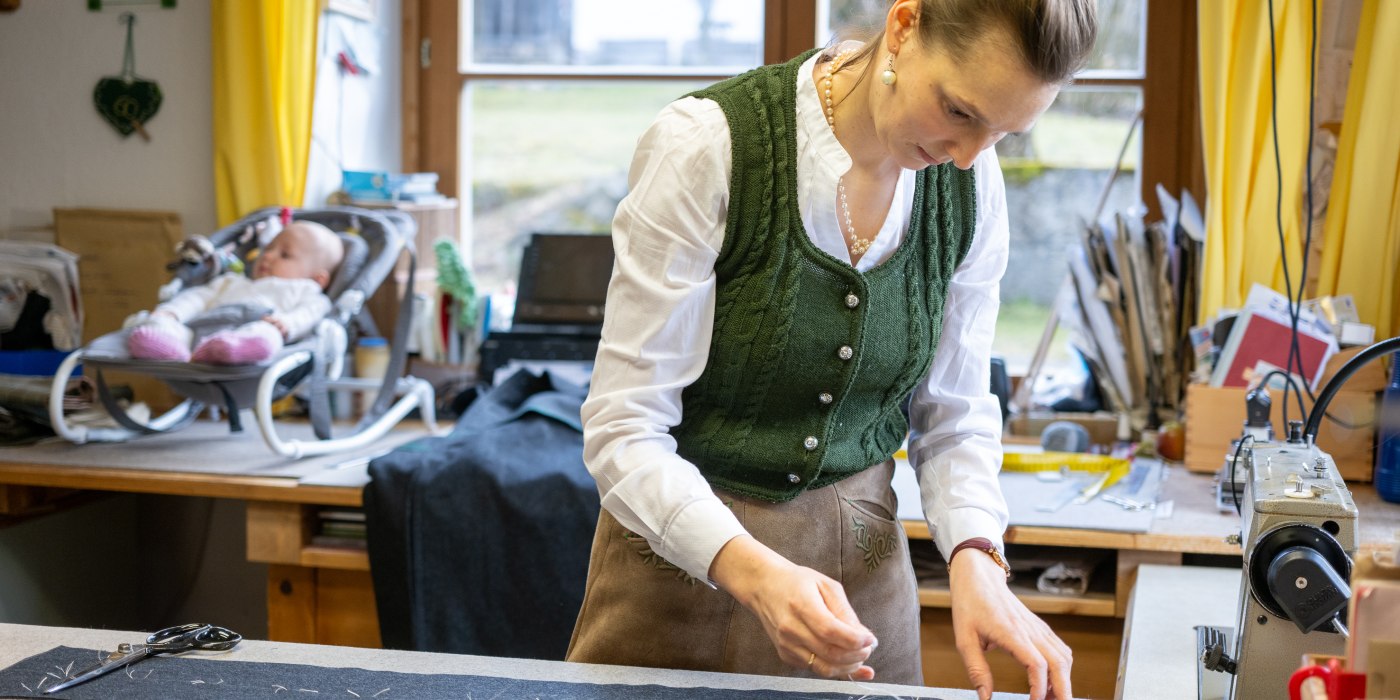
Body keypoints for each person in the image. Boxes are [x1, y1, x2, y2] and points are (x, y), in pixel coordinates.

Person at [566, 1, 1097, 699]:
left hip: (864, 597)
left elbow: (956, 413)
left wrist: (976, 556)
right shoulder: (707, 146)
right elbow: (623, 429)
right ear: (904, 27)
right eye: (961, 112)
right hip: (671, 591)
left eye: (1005, 133)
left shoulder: (971, 184)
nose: (970, 156)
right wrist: (753, 570)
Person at [126, 220, 345, 365]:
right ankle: (167, 347)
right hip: (196, 334)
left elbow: (310, 314)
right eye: (268, 249)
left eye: (284, 255)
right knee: (157, 322)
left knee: (267, 334)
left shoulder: (306, 291)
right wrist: (171, 312)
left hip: (252, 329)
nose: (267, 256)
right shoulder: (232, 282)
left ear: (319, 278)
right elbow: (197, 298)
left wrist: (287, 323)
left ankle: (232, 348)